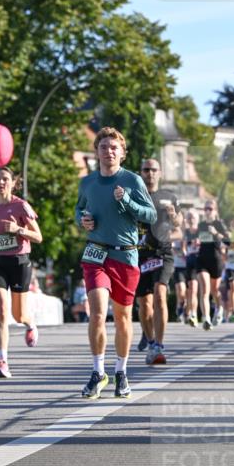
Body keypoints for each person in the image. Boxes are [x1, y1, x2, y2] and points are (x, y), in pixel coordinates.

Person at [75, 127, 156, 399]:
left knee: (122, 317)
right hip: (95, 253)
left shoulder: (132, 180)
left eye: (114, 148)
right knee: (97, 311)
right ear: (96, 152)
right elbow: (79, 209)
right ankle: (98, 372)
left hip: (125, 254)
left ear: (122, 153)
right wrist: (82, 220)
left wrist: (129, 200)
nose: (109, 151)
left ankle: (121, 371)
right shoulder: (87, 182)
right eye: (103, 147)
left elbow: (151, 215)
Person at [0, 166, 43, 379]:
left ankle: (29, 323)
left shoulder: (21, 206)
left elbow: (38, 237)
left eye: (5, 179)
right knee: (1, 312)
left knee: (17, 315)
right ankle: (2, 363)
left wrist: (18, 230)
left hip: (19, 262)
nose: (1, 183)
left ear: (12, 182)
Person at [135, 159, 181, 365]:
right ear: (141, 173)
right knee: (144, 304)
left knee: (160, 295)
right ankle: (150, 337)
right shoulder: (133, 194)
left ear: (160, 173)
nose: (150, 173)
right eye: (146, 170)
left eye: (154, 170)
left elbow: (178, 223)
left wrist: (173, 217)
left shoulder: (169, 196)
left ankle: (158, 345)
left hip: (163, 252)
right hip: (140, 255)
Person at [196, 200, 228, 329]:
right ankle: (206, 318)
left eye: (210, 208)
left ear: (215, 211)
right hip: (202, 259)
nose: (208, 211)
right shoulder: (201, 225)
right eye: (206, 209)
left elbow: (227, 240)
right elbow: (194, 237)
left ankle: (219, 308)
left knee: (215, 291)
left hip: (216, 260)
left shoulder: (219, 224)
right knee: (205, 290)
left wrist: (216, 233)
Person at [182, 209, 201, 327]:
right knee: (191, 290)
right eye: (189, 217)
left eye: (193, 217)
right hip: (190, 262)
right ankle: (190, 313)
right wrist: (185, 253)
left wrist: (199, 244)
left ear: (197, 219)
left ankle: (193, 314)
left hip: (201, 261)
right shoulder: (186, 233)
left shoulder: (201, 231)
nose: (191, 219)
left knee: (195, 289)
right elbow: (184, 247)